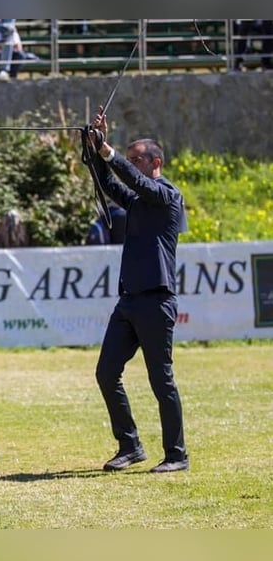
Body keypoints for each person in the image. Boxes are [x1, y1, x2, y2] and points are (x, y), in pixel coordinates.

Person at [85, 107, 190, 474]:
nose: (131, 164)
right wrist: (92, 147)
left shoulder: (167, 196)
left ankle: (177, 455)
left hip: (156, 301)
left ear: (155, 162)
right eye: (128, 159)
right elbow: (110, 184)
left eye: (136, 159)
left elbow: (135, 182)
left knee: (161, 381)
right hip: (128, 301)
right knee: (105, 373)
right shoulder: (137, 201)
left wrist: (109, 154)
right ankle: (130, 446)